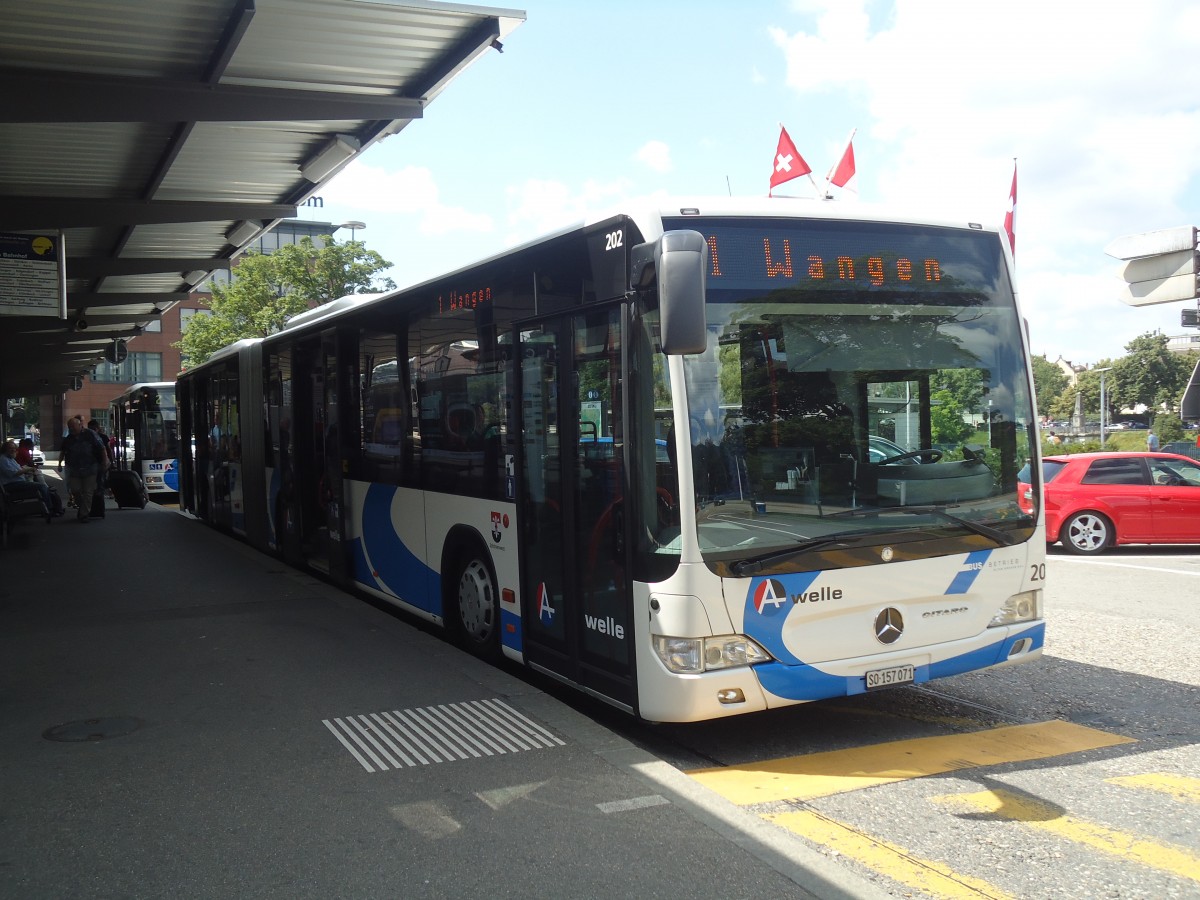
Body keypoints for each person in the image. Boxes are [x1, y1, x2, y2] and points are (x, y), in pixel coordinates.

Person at [57, 417, 108, 523]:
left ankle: (84, 514)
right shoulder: (69, 438)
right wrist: (59, 463)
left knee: (88, 491)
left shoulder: (90, 434)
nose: (71, 429)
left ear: (80, 425)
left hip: (90, 467)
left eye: (73, 427)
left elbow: (102, 447)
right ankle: (82, 508)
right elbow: (63, 451)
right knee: (75, 490)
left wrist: (105, 460)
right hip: (75, 469)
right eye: (70, 427)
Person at [1, 439, 53, 511]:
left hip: (18, 482)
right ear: (5, 449)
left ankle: (45, 504)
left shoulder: (10, 459)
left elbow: (19, 468)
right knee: (42, 486)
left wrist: (27, 470)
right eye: (10, 448)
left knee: (39, 484)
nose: (13, 450)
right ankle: (49, 508)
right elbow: (13, 473)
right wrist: (29, 469)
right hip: (12, 484)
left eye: (14, 448)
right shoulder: (3, 460)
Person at [88, 419, 115, 519]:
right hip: (101, 464)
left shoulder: (90, 437)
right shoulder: (102, 437)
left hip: (97, 464)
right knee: (99, 483)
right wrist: (111, 461)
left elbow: (107, 450)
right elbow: (108, 450)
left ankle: (95, 507)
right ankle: (99, 507)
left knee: (96, 484)